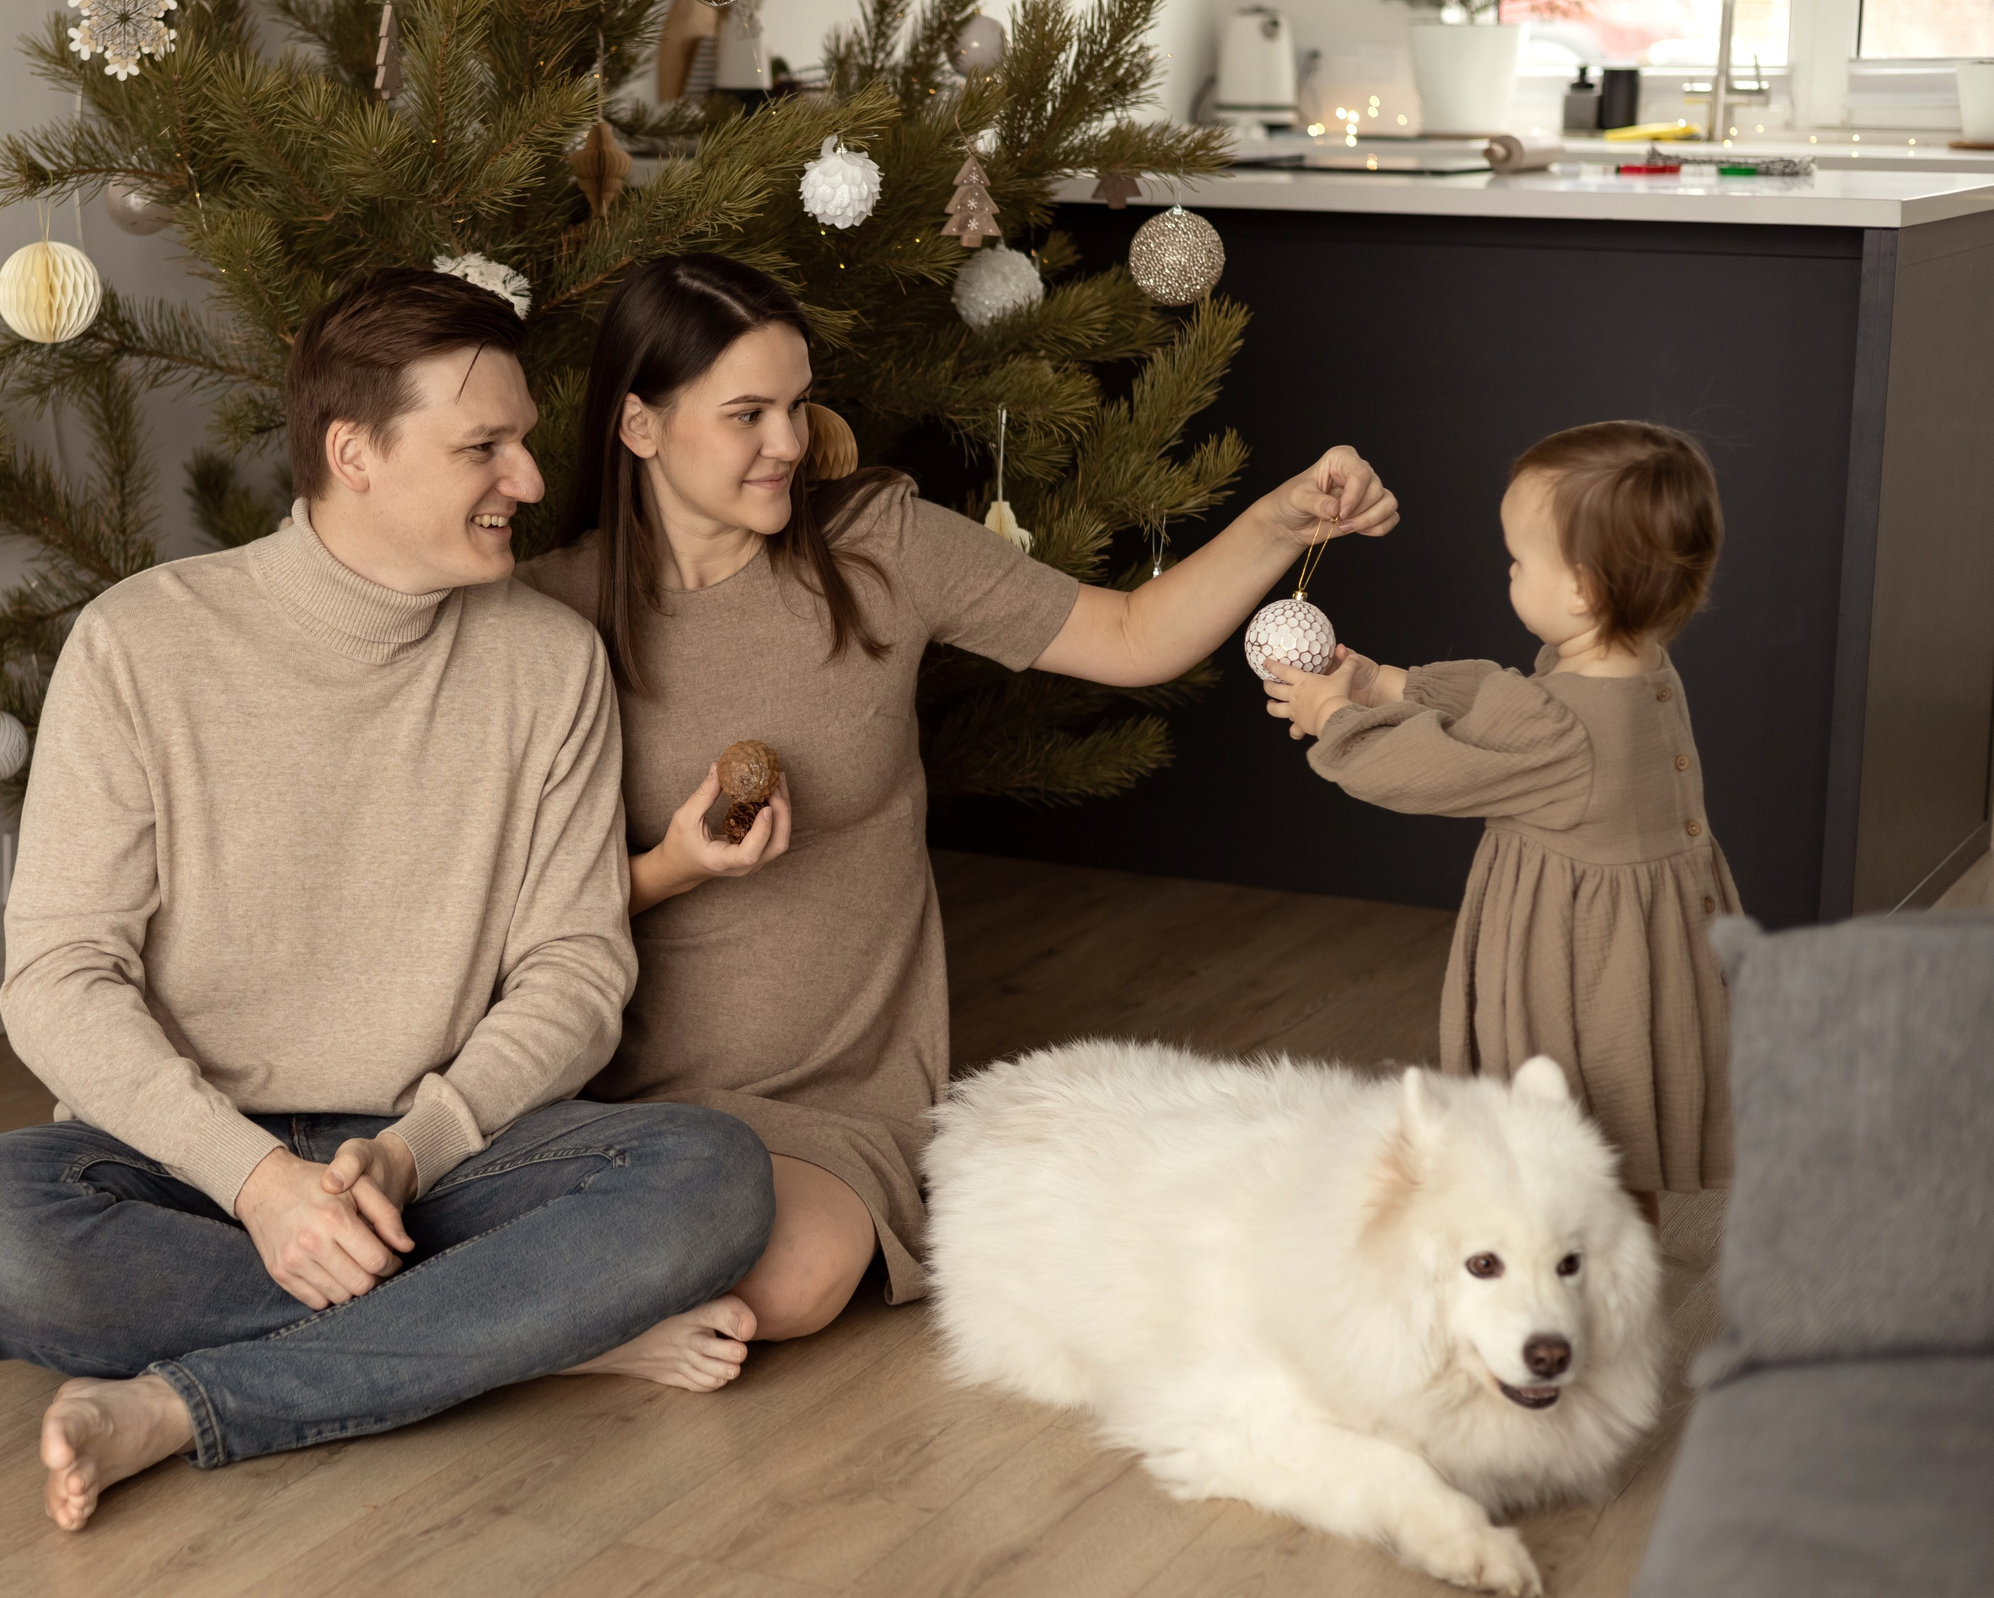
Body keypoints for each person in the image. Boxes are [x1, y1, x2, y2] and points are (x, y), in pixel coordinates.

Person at [0, 268, 776, 1531]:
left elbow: (577, 974)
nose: (529, 481)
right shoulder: (139, 642)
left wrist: (414, 1147)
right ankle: (528, 1333)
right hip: (189, 1162)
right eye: (485, 445)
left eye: (524, 441)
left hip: (441, 1157)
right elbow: (56, 978)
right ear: (352, 451)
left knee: (713, 1175)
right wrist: (255, 1181)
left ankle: (191, 1404)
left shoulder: (546, 663)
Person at [518, 253, 1399, 1378]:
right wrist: (668, 870)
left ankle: (550, 1318)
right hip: (605, 1087)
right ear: (639, 426)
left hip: (825, 1095)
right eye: (745, 415)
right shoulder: (549, 611)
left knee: (789, 1281)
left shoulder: (879, 546)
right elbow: (497, 900)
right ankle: (584, 1335)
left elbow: (1133, 638)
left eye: (795, 405)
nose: (786, 442)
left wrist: (1281, 519)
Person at [1262, 419, 1739, 1224]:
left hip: (1577, 969)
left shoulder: (1558, 727)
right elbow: (1497, 704)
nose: (1507, 571)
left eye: (1519, 560)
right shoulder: (1644, 668)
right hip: (1648, 950)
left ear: (1582, 589)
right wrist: (1380, 681)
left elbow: (1428, 768)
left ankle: (1581, 1288)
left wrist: (1335, 713)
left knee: (1571, 1143)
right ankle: (1623, 1265)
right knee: (1618, 1149)